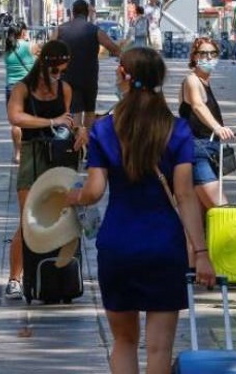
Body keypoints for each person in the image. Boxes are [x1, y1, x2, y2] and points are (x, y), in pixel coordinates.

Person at [67, 46, 217, 373]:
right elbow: (185, 196)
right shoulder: (178, 129)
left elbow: (93, 192)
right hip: (165, 246)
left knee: (124, 342)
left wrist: (70, 197)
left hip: (118, 245)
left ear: (123, 75)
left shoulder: (104, 129)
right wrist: (201, 251)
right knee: (160, 348)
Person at [4, 40, 84, 300]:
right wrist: (50, 121)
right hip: (33, 156)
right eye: (56, 69)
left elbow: (68, 121)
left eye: (63, 70)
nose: (59, 74)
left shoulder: (65, 88)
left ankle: (59, 277)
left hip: (58, 158)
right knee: (28, 220)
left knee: (61, 216)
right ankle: (15, 278)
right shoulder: (22, 88)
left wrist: (80, 130)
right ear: (46, 65)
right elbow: (15, 117)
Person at [178, 37, 235, 210]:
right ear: (194, 57)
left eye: (212, 53)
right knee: (221, 210)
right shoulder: (192, 80)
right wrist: (217, 127)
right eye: (203, 53)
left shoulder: (204, 82)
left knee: (202, 214)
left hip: (209, 149)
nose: (209, 58)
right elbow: (197, 105)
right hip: (197, 150)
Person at [52, 0, 121, 131]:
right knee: (90, 110)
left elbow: (48, 50)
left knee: (75, 111)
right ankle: (88, 142)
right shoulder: (95, 30)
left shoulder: (60, 30)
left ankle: (76, 144)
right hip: (89, 78)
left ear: (72, 12)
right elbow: (114, 48)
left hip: (68, 77)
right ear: (87, 13)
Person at [3, 21, 36, 164]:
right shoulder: (30, 46)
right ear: (22, 32)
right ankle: (29, 152)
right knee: (29, 120)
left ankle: (17, 153)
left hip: (11, 87)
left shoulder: (7, 48)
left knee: (15, 122)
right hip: (28, 87)